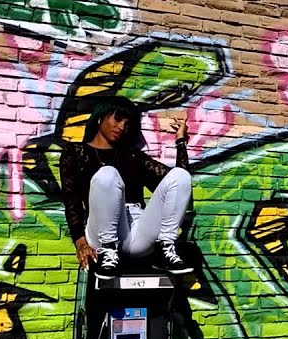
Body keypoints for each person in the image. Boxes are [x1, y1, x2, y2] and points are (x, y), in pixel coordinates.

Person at [59, 95, 194, 279]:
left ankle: (166, 249)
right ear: (100, 117)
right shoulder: (75, 153)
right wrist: (81, 243)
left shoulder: (133, 157)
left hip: (137, 232)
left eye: (127, 124)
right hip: (100, 231)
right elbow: (71, 201)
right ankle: (108, 250)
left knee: (180, 176)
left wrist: (180, 142)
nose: (122, 126)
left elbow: (178, 186)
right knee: (108, 174)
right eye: (118, 118)